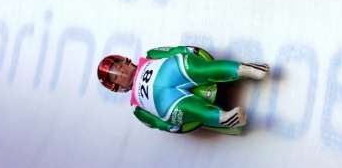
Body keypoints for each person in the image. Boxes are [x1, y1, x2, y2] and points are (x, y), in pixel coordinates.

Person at [97, 46, 269, 133]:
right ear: (117, 87)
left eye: (119, 67)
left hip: (173, 69)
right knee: (190, 110)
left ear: (125, 61)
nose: (121, 72)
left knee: (203, 70)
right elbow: (157, 123)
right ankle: (225, 118)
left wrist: (187, 50)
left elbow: (171, 51)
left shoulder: (150, 55)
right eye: (116, 76)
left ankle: (245, 69)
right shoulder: (137, 110)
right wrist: (172, 127)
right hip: (165, 103)